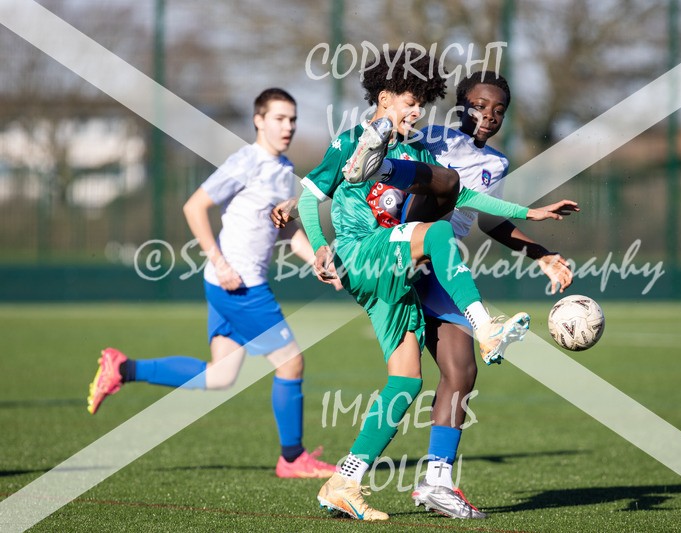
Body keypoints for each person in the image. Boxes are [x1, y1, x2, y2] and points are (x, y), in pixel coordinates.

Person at [295, 47, 542, 521]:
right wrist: (320, 245)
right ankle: (484, 323)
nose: (417, 113)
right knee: (440, 233)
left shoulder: (417, 150)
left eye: (421, 105)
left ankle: (343, 481)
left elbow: (463, 193)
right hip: (361, 251)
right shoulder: (351, 140)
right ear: (384, 97)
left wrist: (526, 213)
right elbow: (311, 198)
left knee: (406, 381)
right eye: (409, 103)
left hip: (391, 271)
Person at [86, 88, 338, 479]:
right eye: (279, 118)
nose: (287, 126)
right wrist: (219, 263)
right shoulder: (247, 162)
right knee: (291, 363)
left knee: (220, 376)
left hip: (227, 286)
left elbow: (286, 231)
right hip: (239, 286)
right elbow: (195, 206)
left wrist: (319, 259)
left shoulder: (284, 170)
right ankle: (292, 458)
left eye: (292, 119)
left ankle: (123, 368)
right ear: (259, 120)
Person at [398, 71, 578, 518]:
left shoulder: (496, 163)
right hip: (403, 256)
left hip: (442, 273)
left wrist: (541, 253)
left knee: (461, 372)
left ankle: (437, 481)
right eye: (479, 105)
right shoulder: (428, 138)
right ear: (461, 103)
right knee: (401, 382)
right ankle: (346, 478)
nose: (489, 116)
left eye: (498, 110)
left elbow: (489, 220)